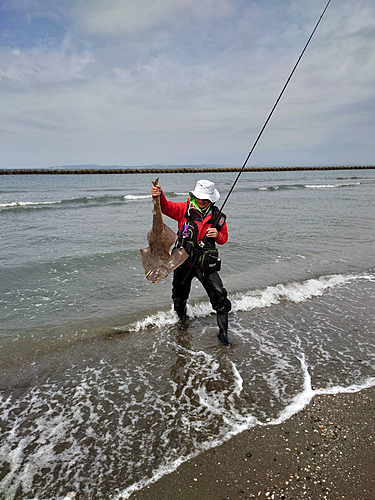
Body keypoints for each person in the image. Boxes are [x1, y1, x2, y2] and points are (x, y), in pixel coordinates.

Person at [151, 179, 232, 346]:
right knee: (179, 297)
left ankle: (223, 333)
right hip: (183, 262)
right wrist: (159, 195)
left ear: (211, 199)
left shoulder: (218, 217)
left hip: (205, 264)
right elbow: (166, 208)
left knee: (220, 296)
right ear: (194, 196)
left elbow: (224, 239)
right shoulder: (183, 209)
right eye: (199, 197)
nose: (202, 201)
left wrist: (217, 235)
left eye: (205, 199)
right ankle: (181, 323)